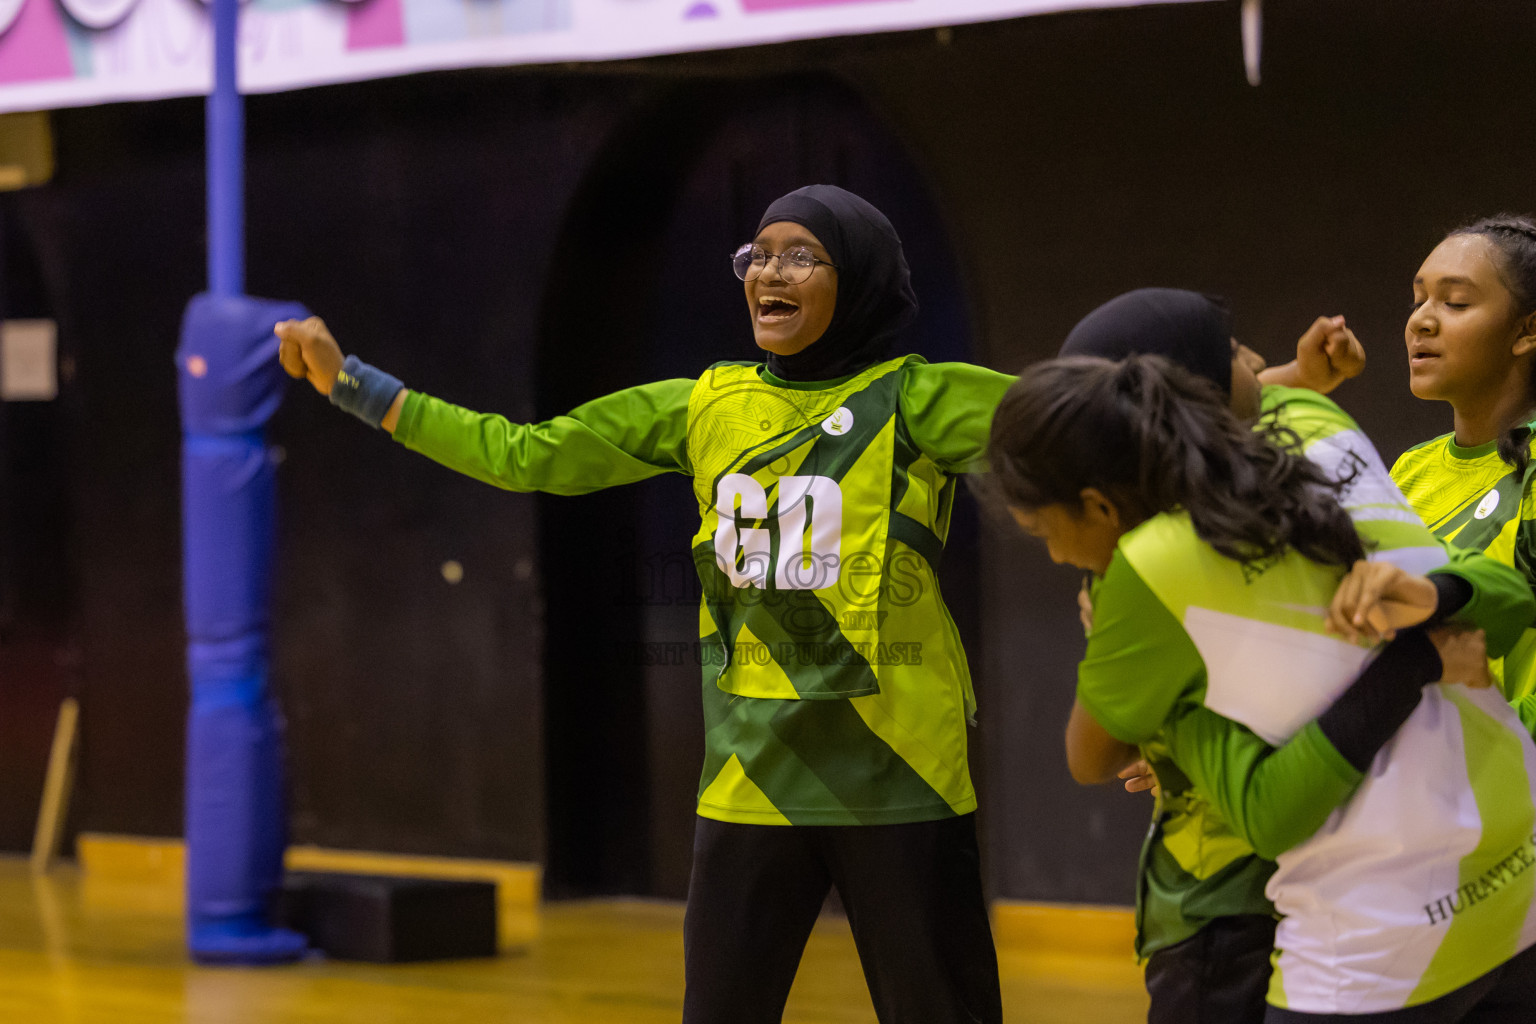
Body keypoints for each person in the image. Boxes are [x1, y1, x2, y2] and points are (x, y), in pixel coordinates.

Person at [276, 185, 1012, 1024]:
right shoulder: (703, 405)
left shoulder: (919, 397)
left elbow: (1089, 428)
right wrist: (354, 387)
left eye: (800, 254)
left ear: (863, 279)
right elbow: (523, 455)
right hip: (751, 780)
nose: (769, 270)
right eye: (759, 253)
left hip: (901, 779)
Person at [988, 353, 1536, 1021]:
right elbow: (1508, 602)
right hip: (1517, 877)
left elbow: (1099, 759)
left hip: (1374, 929)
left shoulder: (1149, 569)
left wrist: (1168, 711)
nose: (1052, 554)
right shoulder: (1314, 427)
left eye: (1044, 532)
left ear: (1100, 502)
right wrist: (1428, 628)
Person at [1393, 216, 1536, 710]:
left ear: (1527, 330)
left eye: (1455, 302)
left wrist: (1466, 745)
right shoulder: (1409, 470)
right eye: (1418, 300)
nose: (1421, 320)